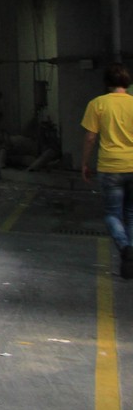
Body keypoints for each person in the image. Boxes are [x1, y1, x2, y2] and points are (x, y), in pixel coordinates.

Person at [81, 64, 133, 279]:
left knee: (113, 214)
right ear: (127, 83)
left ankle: (125, 248)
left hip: (110, 167)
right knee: (131, 214)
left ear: (107, 83)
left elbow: (91, 137)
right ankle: (131, 258)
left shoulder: (98, 104)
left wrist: (85, 163)